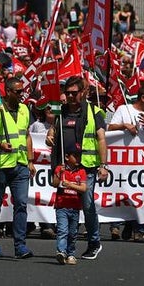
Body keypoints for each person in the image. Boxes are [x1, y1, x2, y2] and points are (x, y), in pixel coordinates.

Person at [46, 76, 109, 261]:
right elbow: (52, 132)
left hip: (87, 167)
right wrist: (49, 137)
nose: (71, 96)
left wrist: (103, 166)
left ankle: (94, 242)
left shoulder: (94, 112)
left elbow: (101, 139)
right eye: (68, 93)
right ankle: (65, 247)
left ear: (83, 92)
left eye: (75, 93)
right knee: (65, 205)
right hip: (65, 167)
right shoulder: (60, 111)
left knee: (87, 205)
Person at [0, 76, 35, 259]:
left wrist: (30, 160)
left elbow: (27, 135)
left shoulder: (24, 110)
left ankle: (20, 245)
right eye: (19, 91)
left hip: (19, 165)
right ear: (9, 92)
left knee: (21, 204)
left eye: (23, 91)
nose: (22, 94)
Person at [53, 145, 87, 265]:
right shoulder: (60, 169)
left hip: (75, 207)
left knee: (72, 233)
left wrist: (71, 185)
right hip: (62, 206)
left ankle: (71, 253)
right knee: (62, 230)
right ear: (67, 157)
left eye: (79, 156)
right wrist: (59, 174)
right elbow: (54, 183)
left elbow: (83, 189)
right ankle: (61, 251)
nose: (78, 159)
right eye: (75, 156)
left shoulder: (81, 171)